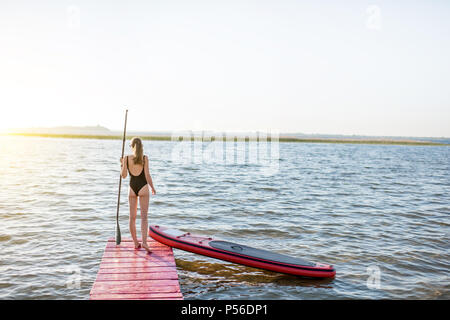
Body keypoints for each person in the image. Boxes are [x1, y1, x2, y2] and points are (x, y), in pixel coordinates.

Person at [120, 137, 156, 253]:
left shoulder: (126, 158)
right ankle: (144, 242)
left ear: (132, 146)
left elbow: (124, 176)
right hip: (143, 187)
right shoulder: (145, 158)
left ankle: (136, 243)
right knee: (144, 217)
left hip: (132, 188)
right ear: (141, 146)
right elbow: (147, 175)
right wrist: (152, 187)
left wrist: (122, 165)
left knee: (132, 217)